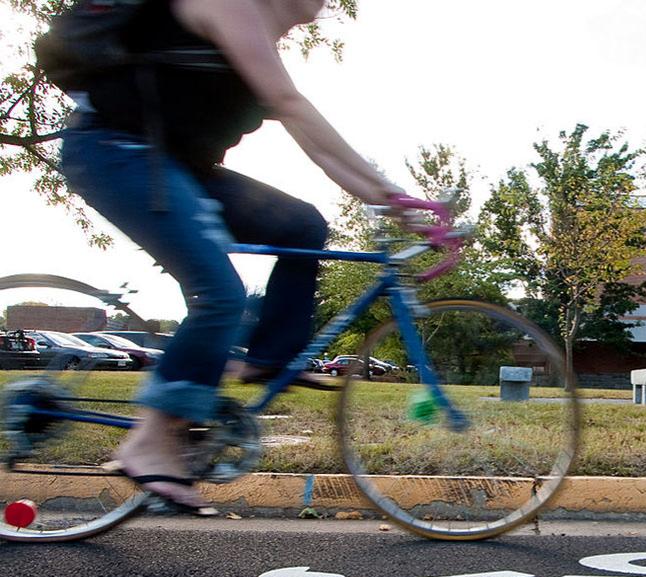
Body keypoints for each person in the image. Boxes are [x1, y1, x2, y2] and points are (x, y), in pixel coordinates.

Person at [60, 0, 402, 515]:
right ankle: (149, 439)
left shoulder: (262, 35)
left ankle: (269, 358)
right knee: (219, 295)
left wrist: (394, 202)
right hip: (116, 152)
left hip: (175, 166)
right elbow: (290, 103)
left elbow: (316, 143)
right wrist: (390, 194)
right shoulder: (229, 2)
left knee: (301, 224)